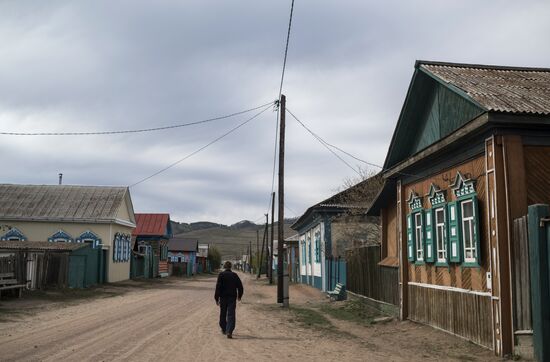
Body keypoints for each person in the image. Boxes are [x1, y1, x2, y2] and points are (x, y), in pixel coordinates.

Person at [214, 261, 244, 339]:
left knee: (223, 313)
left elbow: (218, 287)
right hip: (232, 298)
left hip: (223, 298)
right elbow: (240, 287)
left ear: (224, 267)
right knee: (231, 314)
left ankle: (224, 329)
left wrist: (216, 298)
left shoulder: (221, 275)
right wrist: (239, 296)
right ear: (230, 267)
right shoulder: (234, 275)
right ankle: (229, 331)